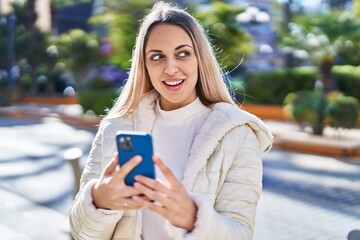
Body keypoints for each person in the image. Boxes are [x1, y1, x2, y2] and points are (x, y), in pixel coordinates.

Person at [69, 2, 273, 239]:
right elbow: (79, 233)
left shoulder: (238, 134)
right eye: (157, 57)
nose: (171, 68)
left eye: (183, 53)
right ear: (144, 65)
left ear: (200, 59)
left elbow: (241, 233)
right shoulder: (116, 128)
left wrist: (191, 217)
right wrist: (100, 200)